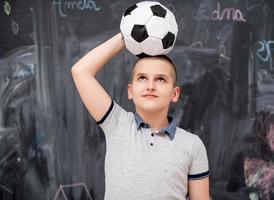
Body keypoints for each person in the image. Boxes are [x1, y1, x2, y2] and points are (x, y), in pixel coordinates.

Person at [71, 33, 210, 200]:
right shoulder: (117, 124)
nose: (150, 86)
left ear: (174, 93)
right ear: (130, 91)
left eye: (160, 79)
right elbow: (81, 71)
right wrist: (127, 35)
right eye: (142, 78)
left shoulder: (192, 145)